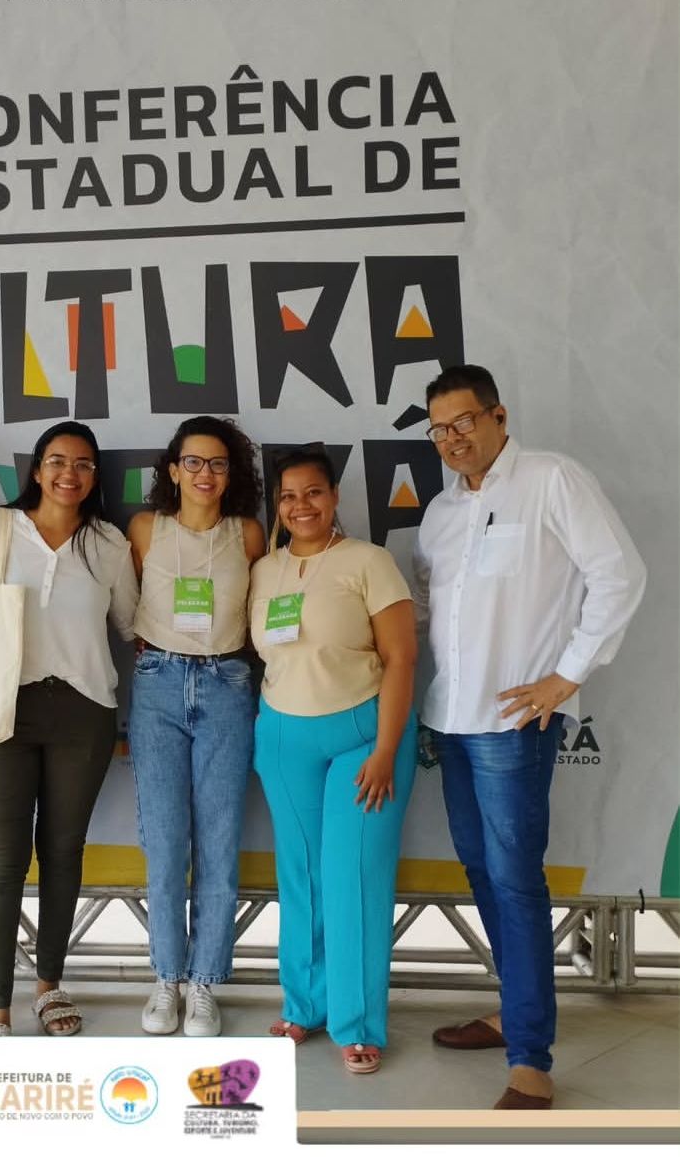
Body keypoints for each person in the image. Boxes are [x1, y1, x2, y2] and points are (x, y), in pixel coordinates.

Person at [414, 364, 646, 1109]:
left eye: (464, 422)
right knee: (483, 873)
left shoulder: (551, 479)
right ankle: (513, 1011)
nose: (452, 439)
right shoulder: (440, 512)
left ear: (498, 416)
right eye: (439, 430)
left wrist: (567, 675)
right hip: (451, 720)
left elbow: (619, 575)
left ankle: (531, 1057)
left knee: (515, 879)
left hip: (514, 725)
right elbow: (431, 609)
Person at [0, 421, 138, 1037]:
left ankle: (49, 987)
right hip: (0, 709)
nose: (68, 473)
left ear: (95, 476)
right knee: (3, 859)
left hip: (84, 711)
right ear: (37, 469)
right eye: (57, 461)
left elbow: (132, 626)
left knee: (62, 853)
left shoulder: (109, 543)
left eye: (82, 464)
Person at [249, 446, 418, 1074]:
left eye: (313, 492)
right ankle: (305, 1005)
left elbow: (401, 658)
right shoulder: (263, 571)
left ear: (335, 496)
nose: (301, 506)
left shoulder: (369, 562)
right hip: (283, 737)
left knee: (353, 878)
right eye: (288, 496)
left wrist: (386, 749)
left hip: (362, 739)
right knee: (302, 876)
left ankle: (358, 1023)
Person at [127, 415, 266, 1038]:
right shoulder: (145, 529)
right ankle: (167, 978)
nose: (204, 473)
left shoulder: (248, 534)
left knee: (218, 838)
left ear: (230, 473)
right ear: (172, 470)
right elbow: (123, 604)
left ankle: (205, 981)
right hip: (157, 681)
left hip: (227, 683)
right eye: (193, 462)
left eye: (217, 463)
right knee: (164, 841)